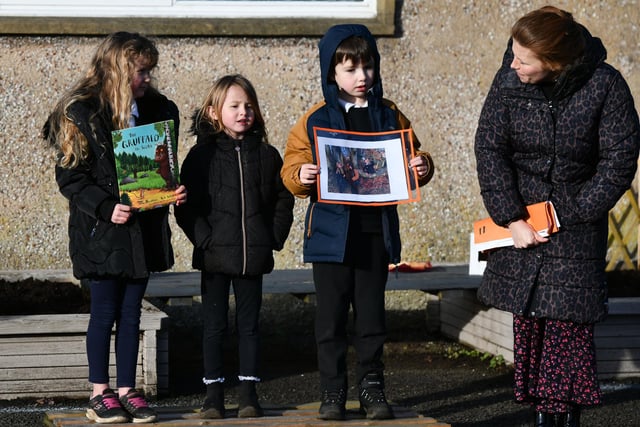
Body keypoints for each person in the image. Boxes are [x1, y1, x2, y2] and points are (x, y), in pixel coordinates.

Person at [474, 6, 640, 427]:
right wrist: (512, 218)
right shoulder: (508, 81)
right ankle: (542, 417)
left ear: (555, 62)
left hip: (574, 230)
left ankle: (561, 419)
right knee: (530, 332)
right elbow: (490, 147)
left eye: (524, 59)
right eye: (513, 54)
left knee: (567, 336)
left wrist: (572, 211)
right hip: (520, 226)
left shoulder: (606, 86)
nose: (513, 64)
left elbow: (619, 161)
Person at [281, 24, 434, 421]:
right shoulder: (314, 119)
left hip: (373, 235)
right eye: (350, 69)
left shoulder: (389, 114)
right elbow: (291, 163)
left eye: (367, 67)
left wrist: (422, 165)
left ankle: (372, 389)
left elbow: (412, 157)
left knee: (371, 318)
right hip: (331, 238)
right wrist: (302, 175)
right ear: (331, 73)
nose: (361, 77)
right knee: (329, 320)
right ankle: (332, 392)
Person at [43, 32, 187, 424]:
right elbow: (71, 179)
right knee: (103, 313)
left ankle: (127, 390)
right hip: (101, 235)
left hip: (142, 235)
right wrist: (106, 208)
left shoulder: (157, 111)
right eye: (142, 72)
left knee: (132, 314)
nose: (148, 79)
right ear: (120, 71)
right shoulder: (82, 114)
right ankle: (99, 393)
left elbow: (162, 170)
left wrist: (172, 191)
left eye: (150, 72)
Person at [175, 74, 294, 420]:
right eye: (235, 106)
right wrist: (204, 238)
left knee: (250, 327)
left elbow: (282, 198)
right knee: (214, 327)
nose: (244, 112)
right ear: (214, 113)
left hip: (253, 257)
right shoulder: (200, 157)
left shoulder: (268, 156)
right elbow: (185, 205)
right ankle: (213, 395)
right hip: (214, 258)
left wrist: (273, 236)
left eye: (249, 106)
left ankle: (248, 394)